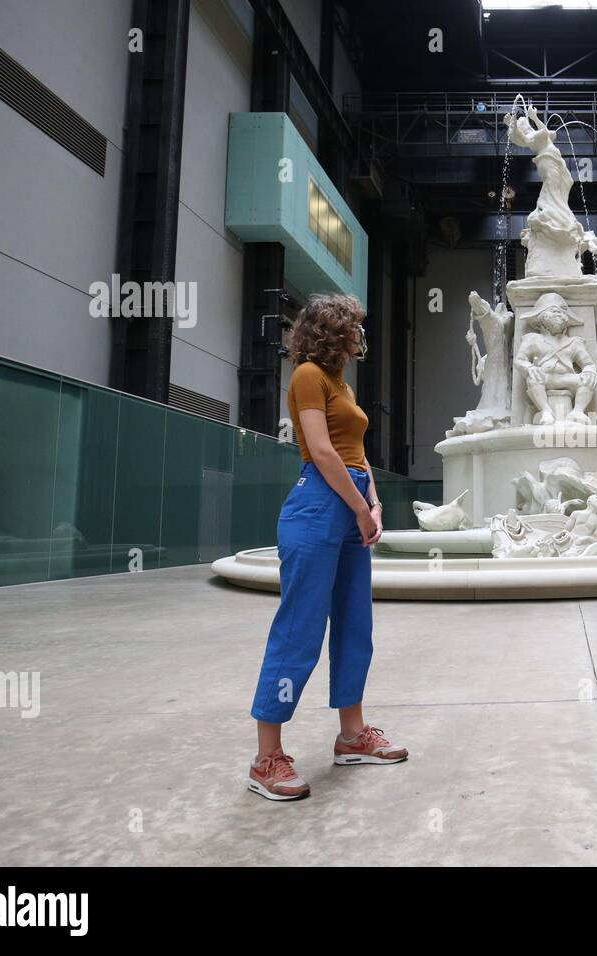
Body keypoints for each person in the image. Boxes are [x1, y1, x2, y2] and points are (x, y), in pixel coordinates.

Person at [247, 293, 407, 802]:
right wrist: (360, 508)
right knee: (299, 629)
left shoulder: (341, 383)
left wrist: (374, 503)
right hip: (317, 507)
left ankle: (352, 736)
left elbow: (356, 452)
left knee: (355, 625)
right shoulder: (307, 376)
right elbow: (320, 450)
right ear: (334, 330)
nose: (362, 334)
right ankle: (266, 758)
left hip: (352, 502)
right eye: (356, 326)